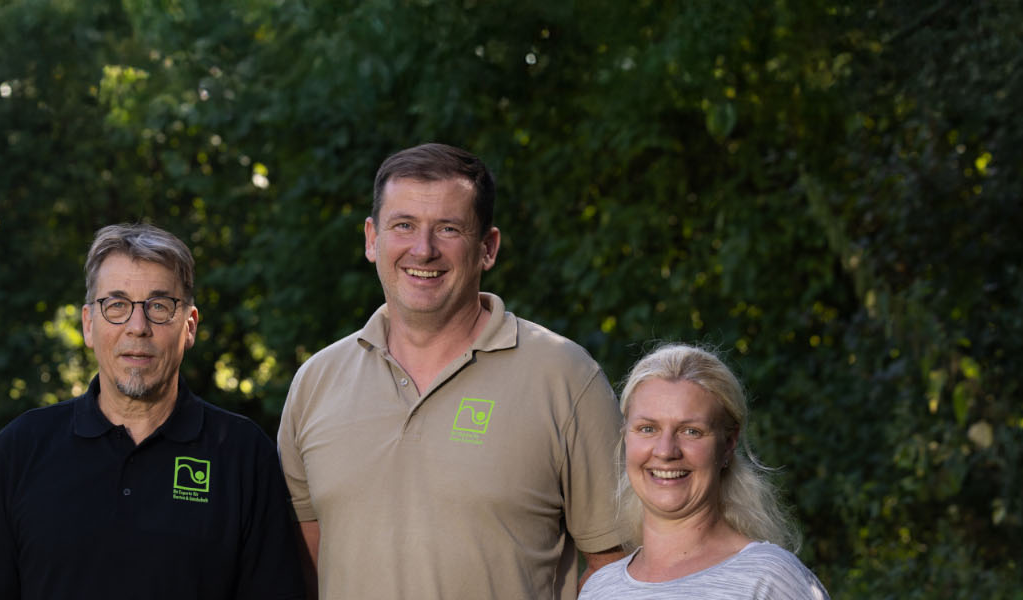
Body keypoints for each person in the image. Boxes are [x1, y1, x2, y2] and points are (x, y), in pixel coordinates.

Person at [277, 142, 629, 600]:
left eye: (448, 229)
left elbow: (617, 569)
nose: (423, 250)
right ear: (371, 238)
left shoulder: (565, 376)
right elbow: (305, 565)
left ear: (487, 248)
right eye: (404, 225)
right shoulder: (316, 383)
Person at [0, 223, 305, 600]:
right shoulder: (23, 447)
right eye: (117, 306)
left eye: (159, 306)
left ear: (189, 326)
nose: (137, 328)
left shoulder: (243, 454)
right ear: (88, 325)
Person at [578, 344, 828, 599]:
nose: (665, 451)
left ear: (728, 443)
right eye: (648, 429)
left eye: (691, 431)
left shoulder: (770, 579)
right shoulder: (598, 589)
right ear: (625, 436)